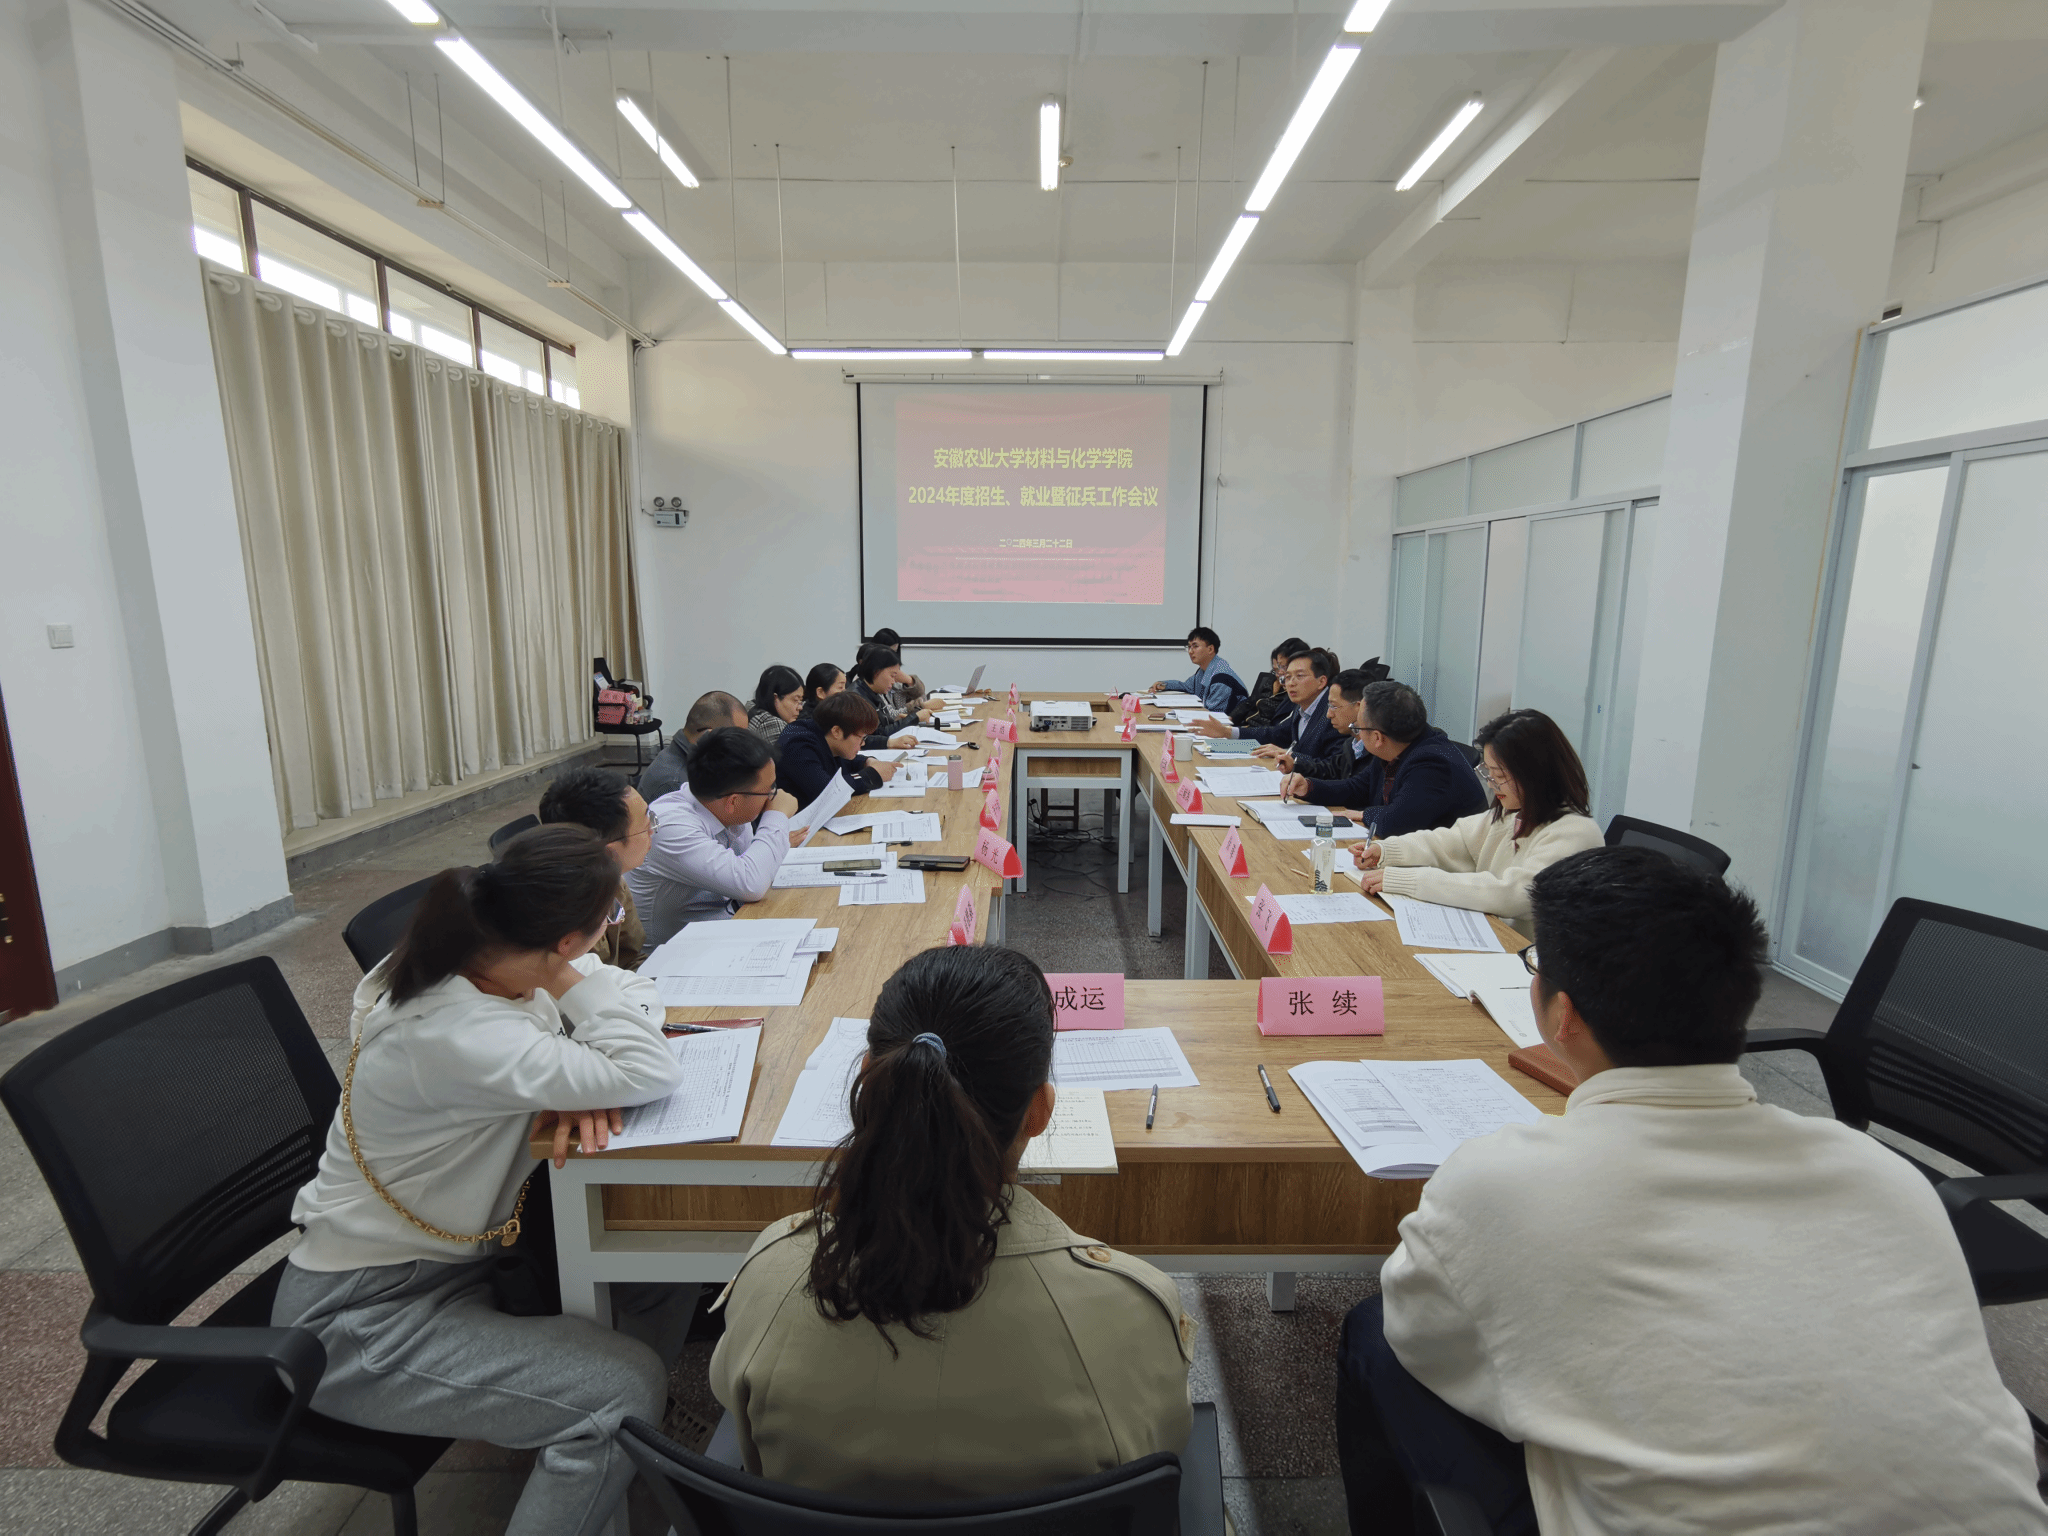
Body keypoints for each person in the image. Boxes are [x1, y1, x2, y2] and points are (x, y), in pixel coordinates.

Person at [1336, 847, 2048, 1536]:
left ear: (1563, 1015)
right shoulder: (1883, 1173)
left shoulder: (1498, 1180)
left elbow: (1425, 1337)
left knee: (1376, 1331)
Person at [273, 826, 687, 1536]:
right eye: (610, 919)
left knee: (660, 1261)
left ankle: (628, 1452)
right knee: (616, 1392)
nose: (611, 932)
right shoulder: (458, 1029)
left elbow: (629, 990)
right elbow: (649, 1067)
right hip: (360, 1324)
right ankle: (613, 1431)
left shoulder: (480, 958)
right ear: (566, 939)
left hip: (455, 1265)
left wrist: (575, 1073)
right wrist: (578, 1036)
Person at [709, 945, 1196, 1500]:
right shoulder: (1127, 1314)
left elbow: (739, 1419)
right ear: (1039, 1111)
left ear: (871, 1081)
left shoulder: (771, 1280)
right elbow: (1165, 1441)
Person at [1351, 708, 1600, 927]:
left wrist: (1410, 880)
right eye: (1488, 772)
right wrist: (1386, 851)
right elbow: (1450, 841)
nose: (1491, 784)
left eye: (1499, 775)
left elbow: (1516, 893)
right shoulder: (1511, 815)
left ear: (1535, 774)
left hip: (1533, 956)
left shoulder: (1575, 832)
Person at [627, 727, 800, 945]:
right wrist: (777, 816)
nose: (773, 796)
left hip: (718, 932)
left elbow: (754, 866)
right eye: (769, 790)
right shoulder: (670, 825)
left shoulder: (729, 809)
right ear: (733, 801)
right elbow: (750, 883)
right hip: (670, 953)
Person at [1280, 679, 1488, 837]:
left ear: (1378, 737)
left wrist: (1364, 814)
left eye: (1358, 728)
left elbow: (1397, 822)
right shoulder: (1397, 745)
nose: (1357, 733)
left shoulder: (1432, 764)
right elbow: (1357, 788)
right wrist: (1309, 787)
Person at [535, 766, 654, 971]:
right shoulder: (558, 917)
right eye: (645, 827)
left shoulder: (614, 881)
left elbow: (631, 959)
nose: (652, 831)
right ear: (608, 852)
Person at [1194, 645, 1340, 762]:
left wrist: (1290, 756)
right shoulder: (1303, 706)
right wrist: (1228, 732)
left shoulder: (1334, 713)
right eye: (1288, 677)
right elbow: (1275, 734)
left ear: (1321, 681)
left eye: (1299, 676)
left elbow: (1334, 766)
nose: (1291, 683)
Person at [778, 691, 900, 808]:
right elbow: (827, 791)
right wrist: (872, 775)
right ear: (836, 731)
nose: (863, 743)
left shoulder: (826, 736)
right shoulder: (798, 746)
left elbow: (844, 759)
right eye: (861, 737)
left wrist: (867, 761)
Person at [637, 690, 747, 803]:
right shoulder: (676, 784)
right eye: (737, 738)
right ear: (709, 735)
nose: (740, 746)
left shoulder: (690, 761)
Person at [1150, 626, 1249, 714]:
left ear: (1210, 649)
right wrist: (1164, 685)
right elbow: (1187, 686)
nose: (1190, 651)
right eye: (1189, 647)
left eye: (1195, 646)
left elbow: (1213, 716)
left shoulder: (1221, 678)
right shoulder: (1204, 670)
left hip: (1232, 726)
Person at [849, 647, 934, 735]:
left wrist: (897, 721)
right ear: (876, 672)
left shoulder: (874, 690)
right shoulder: (856, 699)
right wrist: (914, 718)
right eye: (892, 676)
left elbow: (883, 726)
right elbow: (876, 735)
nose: (894, 682)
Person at [1230, 637, 1307, 728]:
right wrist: (1228, 721)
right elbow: (1249, 703)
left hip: (1257, 732)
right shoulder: (1268, 680)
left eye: (1284, 667)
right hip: (1245, 727)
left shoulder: (1296, 696)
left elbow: (1276, 730)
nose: (1279, 673)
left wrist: (1238, 732)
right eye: (1278, 668)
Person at [865, 628, 927, 710]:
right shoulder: (872, 680)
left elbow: (922, 697)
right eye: (889, 652)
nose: (892, 656)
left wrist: (910, 681)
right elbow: (892, 714)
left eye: (895, 652)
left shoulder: (895, 675)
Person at [748, 665, 805, 753]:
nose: (800, 707)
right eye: (795, 700)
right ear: (775, 698)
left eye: (801, 701)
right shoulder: (771, 723)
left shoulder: (754, 710)